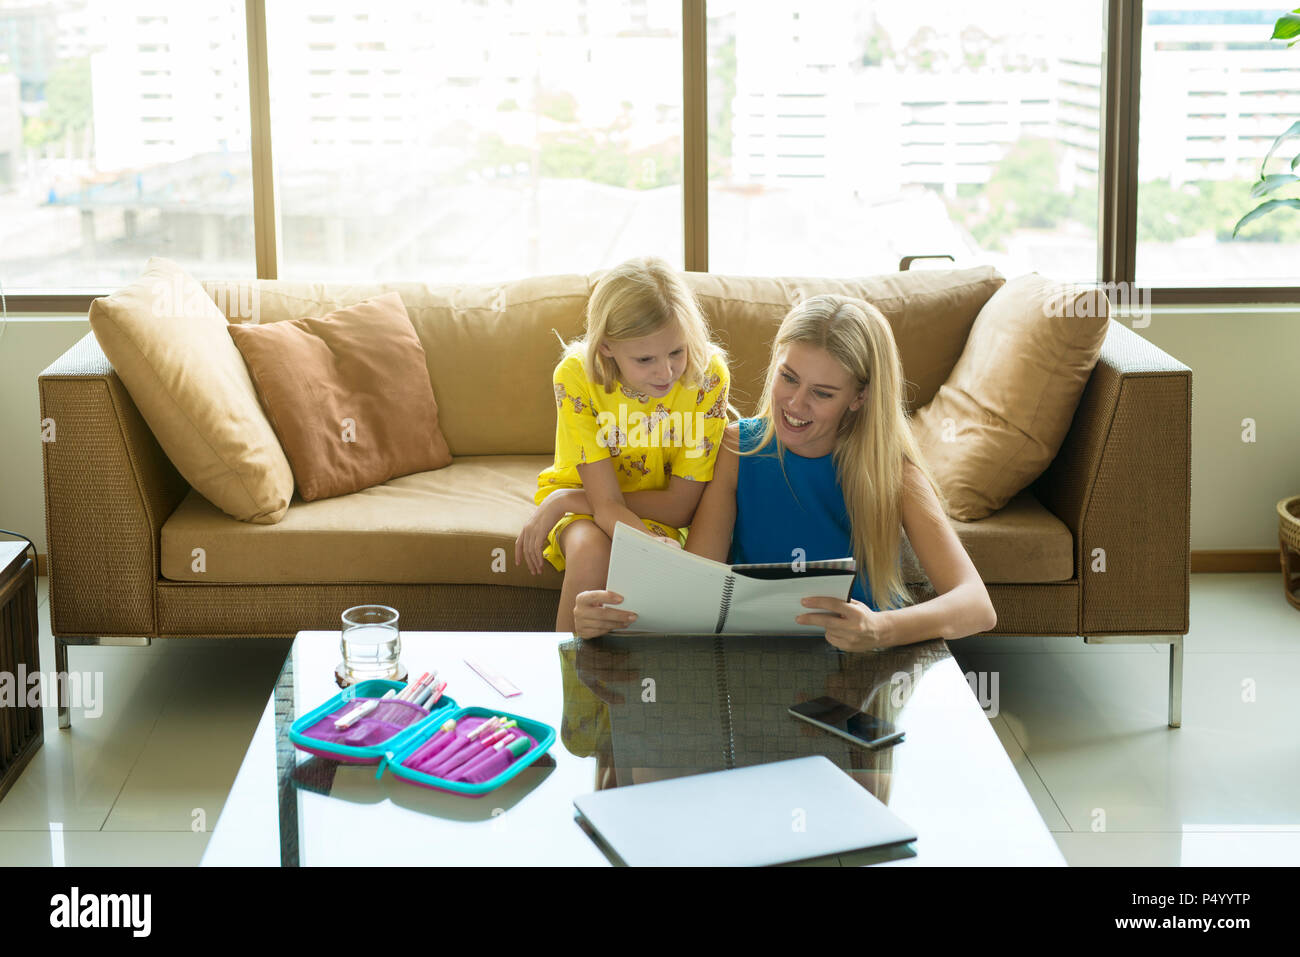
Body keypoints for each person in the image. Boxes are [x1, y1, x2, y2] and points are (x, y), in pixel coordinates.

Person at [573, 294, 997, 650]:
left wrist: (881, 630)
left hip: (856, 663)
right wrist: (609, 616)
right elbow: (697, 582)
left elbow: (977, 605)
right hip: (753, 660)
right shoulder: (737, 448)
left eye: (823, 393)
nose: (796, 404)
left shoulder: (893, 473)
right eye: (788, 378)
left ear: (859, 397)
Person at [515, 256, 731, 632]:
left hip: (653, 512)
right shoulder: (576, 377)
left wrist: (566, 499)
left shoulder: (708, 377)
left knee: (641, 563)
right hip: (593, 504)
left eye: (676, 352)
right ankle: (567, 678)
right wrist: (644, 543)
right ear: (606, 348)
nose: (666, 372)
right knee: (589, 551)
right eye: (645, 358)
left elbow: (680, 506)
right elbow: (605, 504)